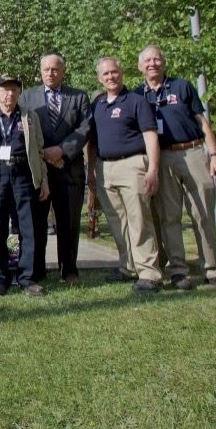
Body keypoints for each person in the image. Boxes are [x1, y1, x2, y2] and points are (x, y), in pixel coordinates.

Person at [137, 45, 216, 291]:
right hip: (162, 157)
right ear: (140, 67)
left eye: (157, 59)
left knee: (202, 214)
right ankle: (178, 271)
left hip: (192, 152)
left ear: (164, 62)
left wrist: (214, 154)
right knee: (168, 216)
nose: (152, 64)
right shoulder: (137, 95)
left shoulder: (182, 87)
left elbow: (202, 123)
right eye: (147, 60)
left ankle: (213, 270)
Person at [0, 74, 50, 296]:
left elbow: (40, 151)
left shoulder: (30, 116)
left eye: (13, 89)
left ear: (19, 93)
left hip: (24, 176)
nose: (9, 94)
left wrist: (44, 181)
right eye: (4, 90)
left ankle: (27, 278)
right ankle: (0, 277)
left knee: (28, 229)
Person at [87, 57, 163, 292]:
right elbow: (91, 141)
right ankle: (127, 266)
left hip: (132, 166)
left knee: (139, 220)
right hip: (105, 168)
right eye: (106, 74)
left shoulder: (136, 102)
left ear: (122, 73)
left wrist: (153, 169)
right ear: (100, 78)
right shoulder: (97, 105)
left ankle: (149, 272)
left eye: (114, 72)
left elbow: (151, 136)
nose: (111, 77)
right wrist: (91, 170)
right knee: (117, 222)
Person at [18, 53, 93, 286]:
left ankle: (69, 270)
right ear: (40, 71)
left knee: (68, 223)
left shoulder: (78, 96)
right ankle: (36, 271)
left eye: (55, 69)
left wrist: (62, 150)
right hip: (39, 171)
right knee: (36, 223)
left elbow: (85, 128)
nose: (50, 73)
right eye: (46, 69)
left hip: (70, 170)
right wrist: (46, 156)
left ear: (63, 71)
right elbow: (21, 131)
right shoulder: (27, 97)